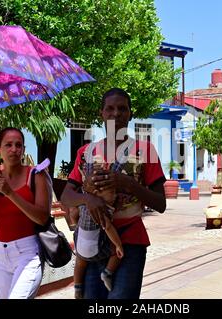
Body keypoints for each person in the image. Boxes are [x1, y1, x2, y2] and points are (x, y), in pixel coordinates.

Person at [61, 88, 167, 299]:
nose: (116, 114)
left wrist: (129, 184)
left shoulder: (144, 151)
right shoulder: (86, 152)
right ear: (101, 113)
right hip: (93, 242)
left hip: (129, 244)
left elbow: (160, 203)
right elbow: (66, 195)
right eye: (109, 108)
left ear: (130, 114)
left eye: (122, 109)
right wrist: (87, 198)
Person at [0, 127, 51, 299]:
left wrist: (10, 193)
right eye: (8, 145)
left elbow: (42, 217)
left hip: (27, 253)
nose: (14, 149)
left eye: (19, 145)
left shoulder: (36, 175)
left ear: (24, 149)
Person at [72, 152, 125, 299]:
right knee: (116, 253)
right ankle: (107, 273)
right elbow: (108, 228)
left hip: (81, 245)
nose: (114, 196)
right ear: (97, 193)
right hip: (95, 249)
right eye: (111, 193)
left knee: (79, 264)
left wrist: (78, 224)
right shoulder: (101, 210)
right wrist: (118, 244)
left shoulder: (83, 203)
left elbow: (73, 216)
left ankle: (77, 287)